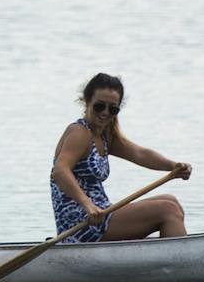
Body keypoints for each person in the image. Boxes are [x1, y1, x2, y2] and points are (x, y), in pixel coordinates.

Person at [50, 72, 191, 242]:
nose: (105, 113)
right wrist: (87, 204)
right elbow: (60, 171)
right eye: (99, 106)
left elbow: (140, 154)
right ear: (87, 101)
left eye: (113, 109)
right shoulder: (79, 133)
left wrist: (174, 166)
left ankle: (167, 255)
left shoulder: (104, 135)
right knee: (168, 210)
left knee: (171, 200)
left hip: (100, 213)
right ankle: (179, 262)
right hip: (81, 221)